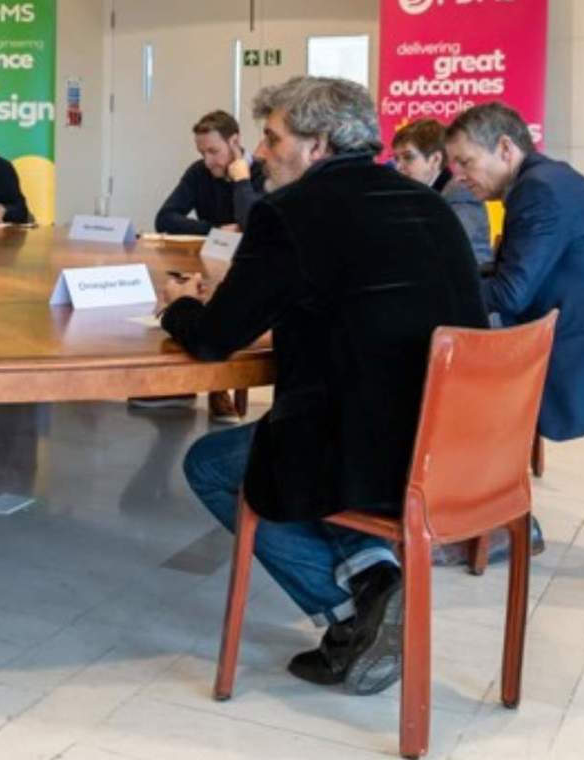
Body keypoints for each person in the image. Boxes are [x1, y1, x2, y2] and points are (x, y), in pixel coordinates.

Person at [165, 77, 488, 695]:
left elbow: (213, 340)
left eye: (272, 137)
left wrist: (178, 306)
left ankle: (354, 612)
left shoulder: (290, 213)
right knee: (311, 426)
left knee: (213, 463)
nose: (258, 153)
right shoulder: (429, 204)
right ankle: (373, 578)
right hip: (456, 445)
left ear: (318, 146)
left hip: (367, 449)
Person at [444, 102, 584, 442]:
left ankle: (474, 488)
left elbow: (511, 295)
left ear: (505, 148)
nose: (459, 176)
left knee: (453, 377)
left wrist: (441, 290)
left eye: (466, 162)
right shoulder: (549, 178)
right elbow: (511, 270)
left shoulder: (539, 189)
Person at [391, 119, 493, 265]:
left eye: (408, 157)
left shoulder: (460, 192)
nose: (398, 167)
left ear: (435, 159)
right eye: (396, 159)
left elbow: (452, 250)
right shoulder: (420, 195)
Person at [154, 110, 266, 235]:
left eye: (213, 151)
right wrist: (214, 230)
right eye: (202, 153)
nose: (207, 162)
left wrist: (241, 181)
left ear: (234, 141)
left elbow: (253, 225)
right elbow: (164, 219)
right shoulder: (198, 171)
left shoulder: (264, 173)